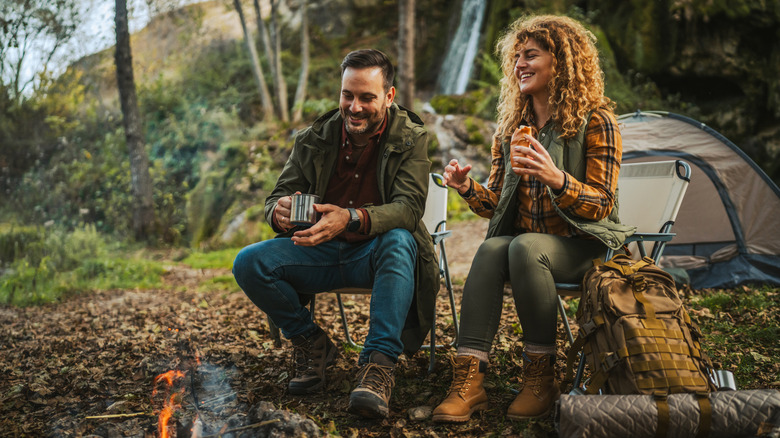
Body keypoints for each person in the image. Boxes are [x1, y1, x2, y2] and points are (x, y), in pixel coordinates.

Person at [431, 15, 634, 422]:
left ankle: (541, 379)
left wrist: (557, 178)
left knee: (526, 245)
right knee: (492, 249)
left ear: (560, 62)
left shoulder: (598, 122)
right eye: (516, 57)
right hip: (531, 248)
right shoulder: (512, 130)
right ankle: (468, 381)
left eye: (531, 55)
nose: (519, 64)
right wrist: (467, 189)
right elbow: (497, 207)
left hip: (588, 247)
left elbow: (601, 205)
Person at [232, 49, 438, 419]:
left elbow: (409, 209)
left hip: (374, 255)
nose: (354, 107)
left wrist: (350, 217)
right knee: (248, 262)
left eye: (366, 97)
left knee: (400, 239)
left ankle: (377, 366)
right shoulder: (313, 138)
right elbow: (277, 197)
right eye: (348, 95)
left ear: (388, 97)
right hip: (318, 252)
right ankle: (312, 344)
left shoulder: (411, 138)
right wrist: (277, 214)